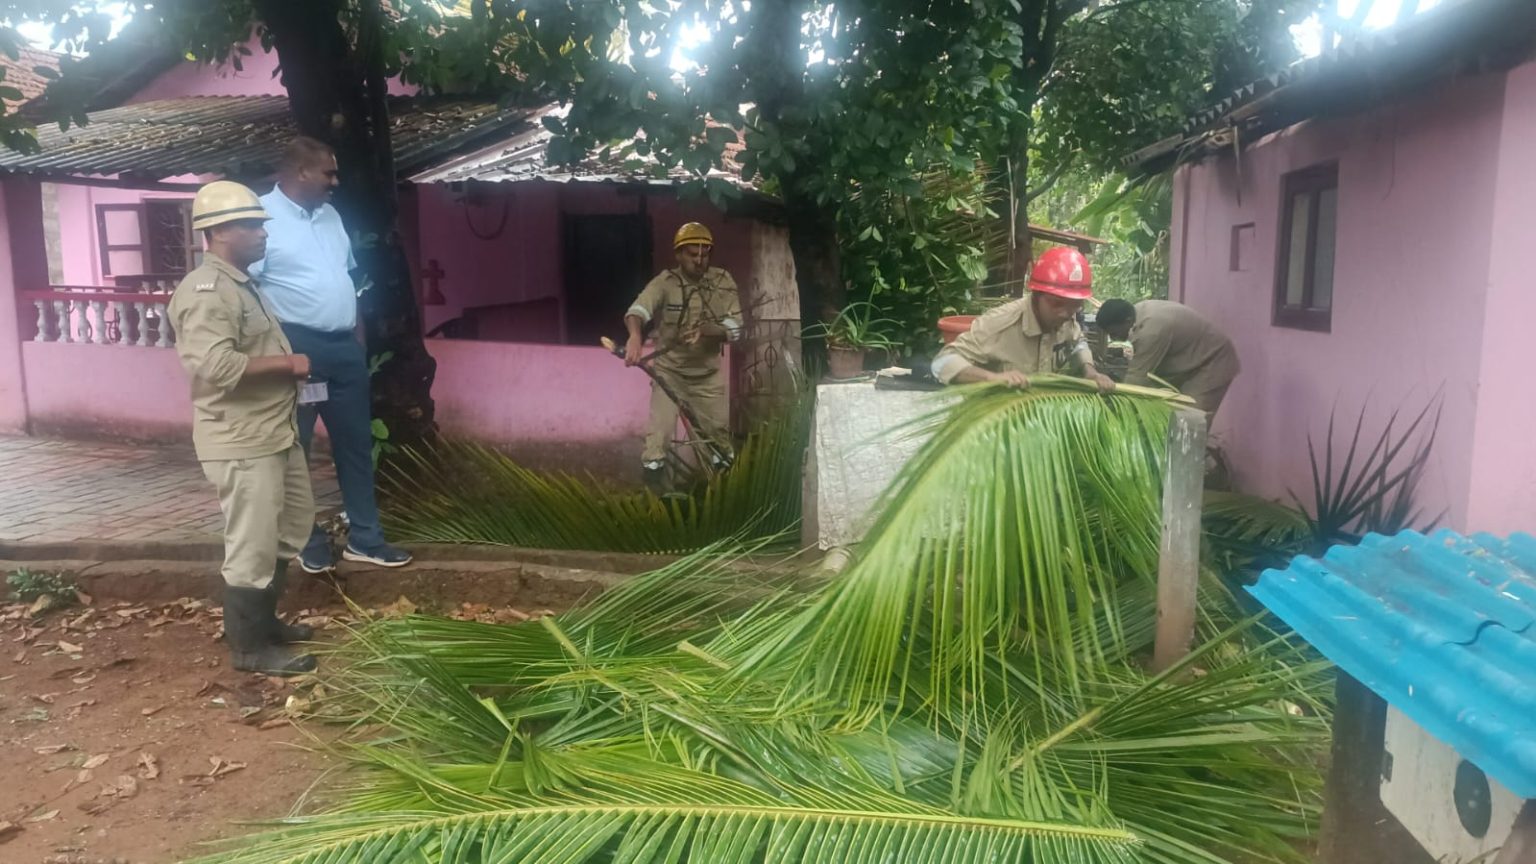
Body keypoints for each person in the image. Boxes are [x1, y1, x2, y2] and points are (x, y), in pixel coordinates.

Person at [168, 181, 317, 676]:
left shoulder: (241, 285)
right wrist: (289, 363)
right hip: (239, 438)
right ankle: (250, 648)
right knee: (251, 542)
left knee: (289, 528)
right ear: (219, 231)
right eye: (251, 224)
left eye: (261, 224)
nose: (262, 233)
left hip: (273, 433)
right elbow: (217, 367)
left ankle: (267, 624)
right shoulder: (207, 292)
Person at [251, 136, 412, 573]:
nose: (335, 181)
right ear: (302, 172)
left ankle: (366, 538)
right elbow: (246, 290)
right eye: (329, 172)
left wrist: (355, 333)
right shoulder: (260, 217)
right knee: (294, 447)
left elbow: (344, 276)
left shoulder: (330, 216)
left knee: (355, 443)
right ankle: (306, 538)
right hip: (295, 348)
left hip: (343, 347)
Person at [623, 222, 743, 494]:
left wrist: (707, 331)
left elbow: (736, 329)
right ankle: (657, 501)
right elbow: (637, 310)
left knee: (718, 441)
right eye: (692, 254)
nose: (699, 261)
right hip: (669, 374)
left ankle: (722, 496)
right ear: (678, 255)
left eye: (705, 254)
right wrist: (635, 336)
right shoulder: (666, 283)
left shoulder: (723, 282)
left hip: (707, 377)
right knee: (658, 439)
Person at [932, 247, 1116, 392]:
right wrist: (991, 378)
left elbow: (1079, 343)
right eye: (1057, 304)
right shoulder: (1000, 324)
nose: (1065, 313)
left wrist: (1090, 370)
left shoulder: (1068, 319)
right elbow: (941, 363)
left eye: (1075, 305)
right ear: (1037, 296)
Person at [1095, 298, 1240, 417]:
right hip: (1190, 359)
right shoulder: (1136, 312)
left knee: (1189, 421)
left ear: (1127, 321)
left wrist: (1113, 407)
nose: (1113, 338)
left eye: (1113, 332)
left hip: (1213, 361)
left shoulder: (1151, 331)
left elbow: (1136, 379)